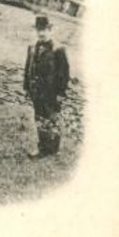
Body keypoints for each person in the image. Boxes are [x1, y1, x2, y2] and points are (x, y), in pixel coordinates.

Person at [23, 13, 70, 157]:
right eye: (38, 30)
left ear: (50, 30)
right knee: (39, 118)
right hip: (36, 91)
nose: (41, 33)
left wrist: (61, 94)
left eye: (44, 30)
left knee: (52, 118)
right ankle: (42, 147)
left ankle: (53, 149)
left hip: (51, 92)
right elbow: (28, 68)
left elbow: (64, 74)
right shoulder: (32, 47)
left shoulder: (58, 50)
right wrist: (26, 87)